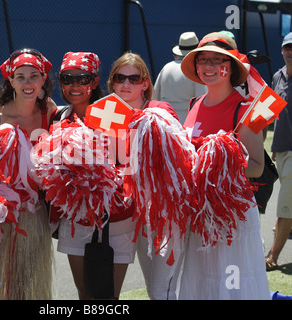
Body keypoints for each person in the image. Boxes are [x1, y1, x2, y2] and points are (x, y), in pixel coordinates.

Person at [178, 32, 270, 299]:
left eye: (217, 60)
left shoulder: (245, 110)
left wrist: (217, 166)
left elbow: (256, 166)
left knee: (231, 286)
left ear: (230, 67)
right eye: (203, 59)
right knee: (201, 281)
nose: (208, 66)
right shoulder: (194, 104)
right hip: (199, 214)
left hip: (231, 219)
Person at [0, 48, 56, 299]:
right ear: (11, 80)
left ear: (43, 80)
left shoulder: (50, 113)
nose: (28, 82)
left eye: (34, 76)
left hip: (31, 217)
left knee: (21, 290)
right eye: (21, 76)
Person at [50, 51, 127, 300]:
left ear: (94, 82)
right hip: (74, 219)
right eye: (67, 78)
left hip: (114, 221)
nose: (74, 85)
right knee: (84, 294)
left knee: (107, 297)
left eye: (82, 79)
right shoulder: (59, 117)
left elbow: (129, 166)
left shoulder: (112, 111)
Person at [107, 52, 181, 300]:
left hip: (162, 214)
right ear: (112, 82)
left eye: (134, 78)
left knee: (163, 289)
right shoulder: (107, 114)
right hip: (129, 215)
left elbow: (177, 157)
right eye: (120, 78)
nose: (126, 84)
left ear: (145, 83)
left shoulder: (160, 110)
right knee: (153, 288)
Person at [265, 32, 292, 271]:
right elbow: (276, 114)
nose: (291, 52)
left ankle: (273, 256)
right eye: (287, 47)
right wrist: (275, 147)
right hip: (282, 149)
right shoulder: (277, 76)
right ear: (282, 50)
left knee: (286, 204)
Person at [154, 31, 206, 123]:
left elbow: (154, 97)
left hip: (164, 121)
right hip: (187, 124)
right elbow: (200, 101)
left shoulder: (166, 68)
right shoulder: (195, 70)